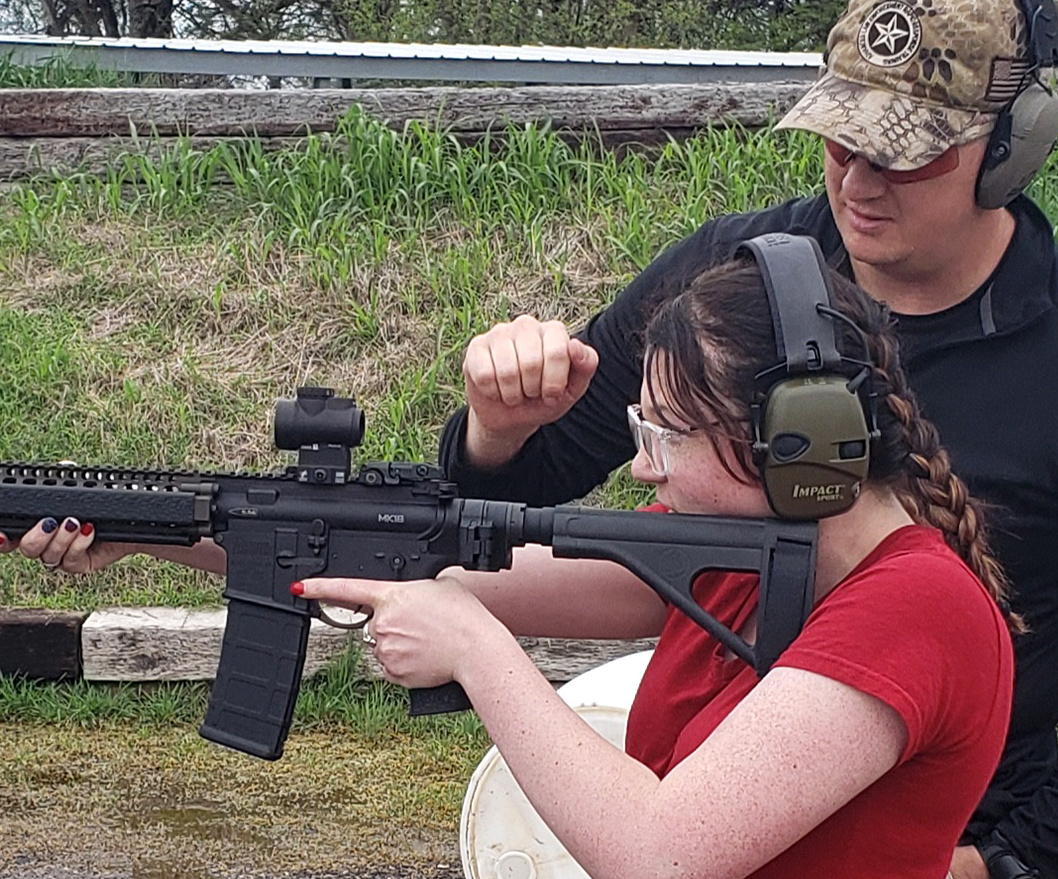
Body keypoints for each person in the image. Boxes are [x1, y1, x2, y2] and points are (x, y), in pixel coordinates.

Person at [435, 0, 1058, 876]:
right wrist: (497, 430)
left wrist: (1009, 861)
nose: (858, 182)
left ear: (1011, 149)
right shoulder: (738, 281)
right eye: (841, 138)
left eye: (906, 155)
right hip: (706, 798)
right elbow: (527, 494)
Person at [294, 244, 1014, 878]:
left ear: (800, 440)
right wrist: (228, 530)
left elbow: (661, 855)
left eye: (666, 433)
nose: (643, 466)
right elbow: (453, 566)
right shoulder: (742, 559)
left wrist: (475, 650)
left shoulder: (918, 605)